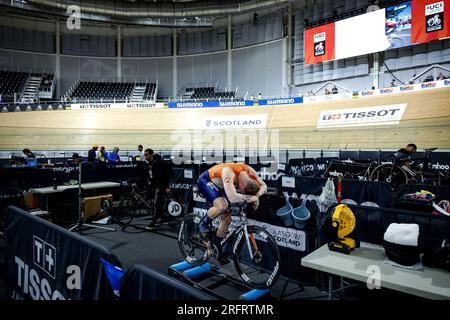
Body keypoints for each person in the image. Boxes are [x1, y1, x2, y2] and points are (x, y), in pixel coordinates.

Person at [197, 163, 267, 263]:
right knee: (222, 206)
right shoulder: (228, 172)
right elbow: (233, 197)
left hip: (222, 186)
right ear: (242, 186)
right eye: (242, 191)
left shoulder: (250, 171)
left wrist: (257, 196)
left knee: (227, 219)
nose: (241, 192)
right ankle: (202, 224)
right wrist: (252, 199)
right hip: (206, 181)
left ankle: (216, 249)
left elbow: (264, 186)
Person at [145, 153, 174, 231]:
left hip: (161, 187)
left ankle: (153, 223)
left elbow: (164, 177)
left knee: (157, 204)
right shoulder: (156, 165)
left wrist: (167, 187)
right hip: (158, 186)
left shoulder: (159, 165)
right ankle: (164, 218)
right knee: (158, 204)